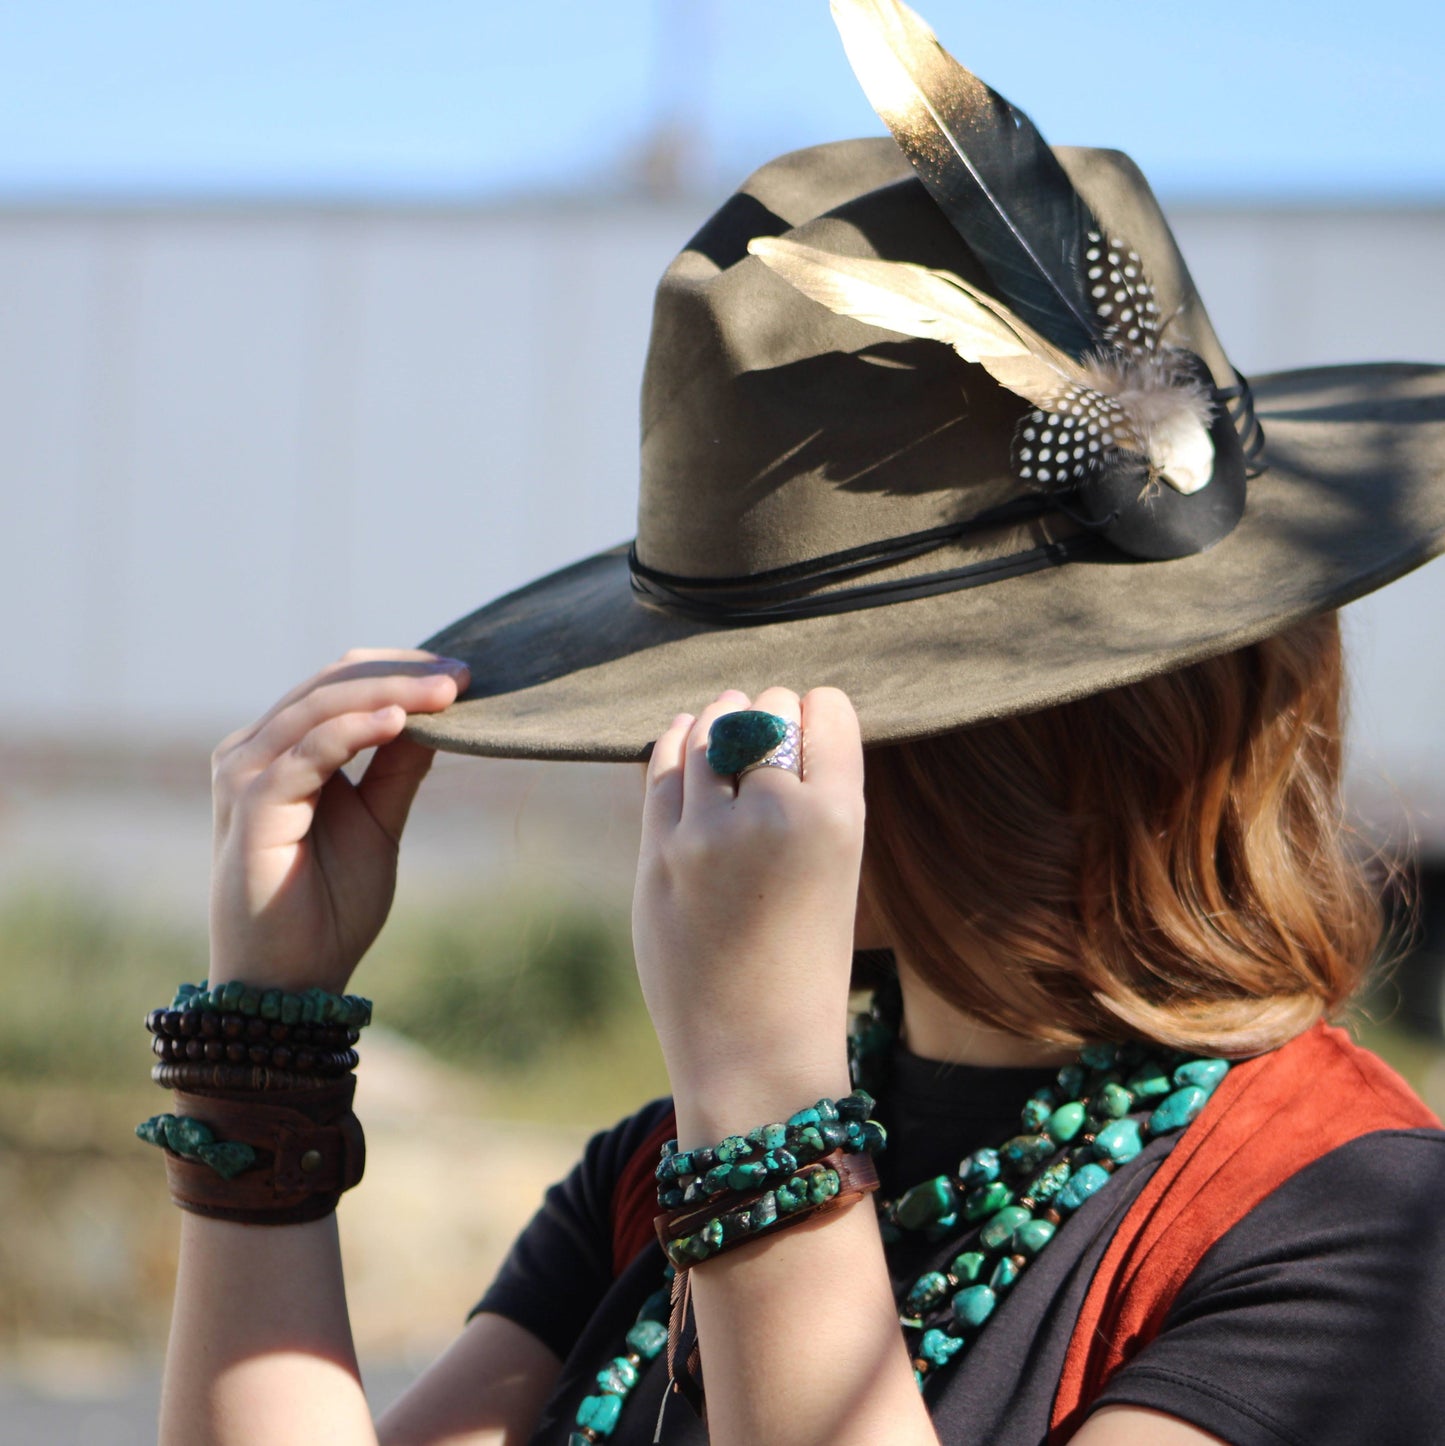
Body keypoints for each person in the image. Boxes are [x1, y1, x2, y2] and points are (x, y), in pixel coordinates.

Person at [148, 3, 1445, 1443]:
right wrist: (263, 1042)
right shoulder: (651, 1175)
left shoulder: (1358, 1224)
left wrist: (765, 1101)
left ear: (1010, 744)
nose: (677, 750)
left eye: (747, 689)